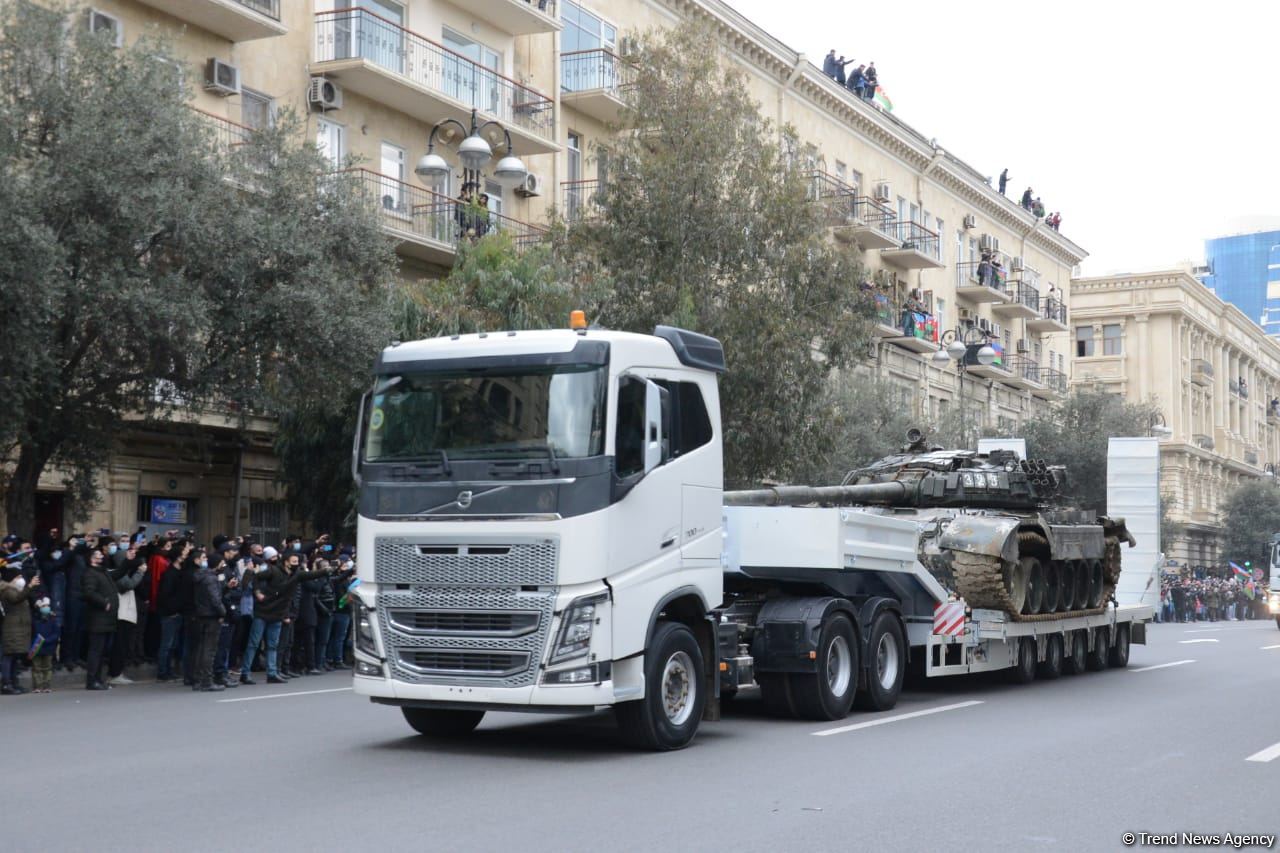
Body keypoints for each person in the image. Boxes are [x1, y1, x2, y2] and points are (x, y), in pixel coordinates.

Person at [239, 547, 331, 685]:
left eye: (297, 561)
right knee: (253, 644)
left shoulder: (297, 575)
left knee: (273, 645)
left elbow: (312, 575)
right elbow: (256, 577)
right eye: (293, 561)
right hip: (263, 612)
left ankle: (272, 673)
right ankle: (245, 673)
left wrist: (326, 570)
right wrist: (257, 592)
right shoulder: (273, 571)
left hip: (278, 614)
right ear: (286, 562)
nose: (296, 564)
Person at [107, 545, 147, 686]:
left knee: (124, 644)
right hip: (121, 614)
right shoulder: (115, 573)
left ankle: (118, 671)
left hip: (127, 613)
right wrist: (140, 573)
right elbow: (127, 585)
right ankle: (115, 673)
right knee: (119, 644)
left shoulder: (124, 572)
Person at [80, 549, 119, 690]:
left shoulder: (102, 571)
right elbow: (89, 592)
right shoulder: (90, 573)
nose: (101, 556)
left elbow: (117, 575)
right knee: (96, 650)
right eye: (98, 554)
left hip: (107, 618)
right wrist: (104, 603)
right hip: (98, 618)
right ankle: (92, 681)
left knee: (102, 651)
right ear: (91, 558)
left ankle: (98, 679)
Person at [1, 557, 40, 695]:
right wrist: (29, 586)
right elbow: (16, 599)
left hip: (19, 628)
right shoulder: (7, 590)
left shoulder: (18, 589)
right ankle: (7, 683)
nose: (21, 579)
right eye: (18, 576)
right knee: (9, 656)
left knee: (15, 656)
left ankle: (14, 682)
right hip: (11, 628)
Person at [191, 551, 227, 692]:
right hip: (211, 616)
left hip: (201, 615)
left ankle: (198, 680)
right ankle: (207, 681)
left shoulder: (200, 576)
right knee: (209, 650)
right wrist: (223, 612)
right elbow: (215, 599)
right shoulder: (211, 579)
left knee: (201, 649)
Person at [29, 596, 59, 693]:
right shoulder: (35, 620)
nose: (46, 607)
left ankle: (47, 686)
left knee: (47, 667)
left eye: (47, 605)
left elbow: (56, 634)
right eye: (44, 606)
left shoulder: (53, 619)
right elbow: (31, 634)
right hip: (37, 648)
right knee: (36, 668)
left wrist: (46, 640)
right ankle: (37, 686)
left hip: (49, 647)